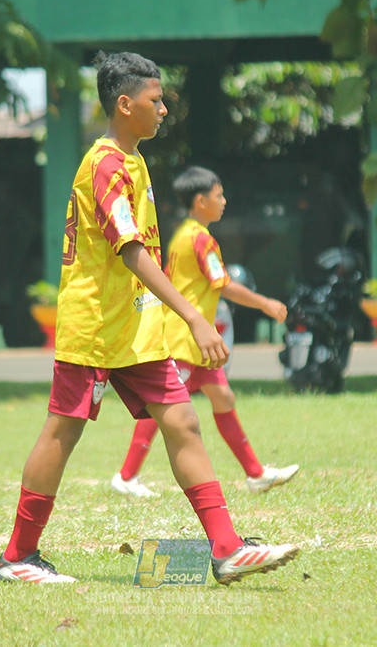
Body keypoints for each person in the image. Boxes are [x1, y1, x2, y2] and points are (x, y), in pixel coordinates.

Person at [0, 52, 299, 585]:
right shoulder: (107, 165)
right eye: (155, 101)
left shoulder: (133, 160)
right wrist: (195, 319)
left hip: (135, 327)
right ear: (124, 103)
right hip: (95, 325)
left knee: (182, 420)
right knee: (61, 434)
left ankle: (226, 549)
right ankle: (18, 556)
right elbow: (131, 250)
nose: (163, 110)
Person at [110, 166, 300, 499]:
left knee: (223, 398)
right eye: (219, 195)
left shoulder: (184, 234)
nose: (224, 201)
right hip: (184, 339)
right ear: (201, 201)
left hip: (196, 343)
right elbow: (224, 285)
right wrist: (266, 303)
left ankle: (255, 475)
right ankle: (126, 477)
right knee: (162, 406)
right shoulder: (200, 239)